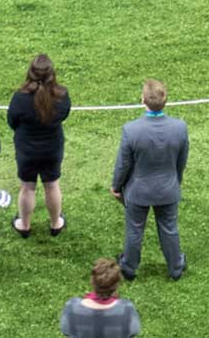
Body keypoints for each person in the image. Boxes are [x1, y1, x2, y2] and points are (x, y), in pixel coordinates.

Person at [111, 78, 187, 281]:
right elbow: (181, 161)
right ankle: (176, 267)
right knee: (169, 228)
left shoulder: (131, 130)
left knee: (134, 231)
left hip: (138, 191)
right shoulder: (179, 128)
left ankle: (128, 268)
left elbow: (123, 164)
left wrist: (116, 186)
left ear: (142, 99)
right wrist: (175, 180)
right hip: (168, 188)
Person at [6, 54, 72, 238]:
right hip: (52, 149)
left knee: (27, 188)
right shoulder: (62, 95)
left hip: (27, 150)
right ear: (52, 74)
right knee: (52, 185)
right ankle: (55, 223)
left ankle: (24, 225)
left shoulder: (19, 98)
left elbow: (12, 121)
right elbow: (64, 114)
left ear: (30, 73)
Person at [61, 258, 142, 338]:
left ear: (92, 281)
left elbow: (65, 330)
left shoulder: (72, 307)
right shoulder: (127, 309)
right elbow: (134, 331)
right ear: (116, 285)